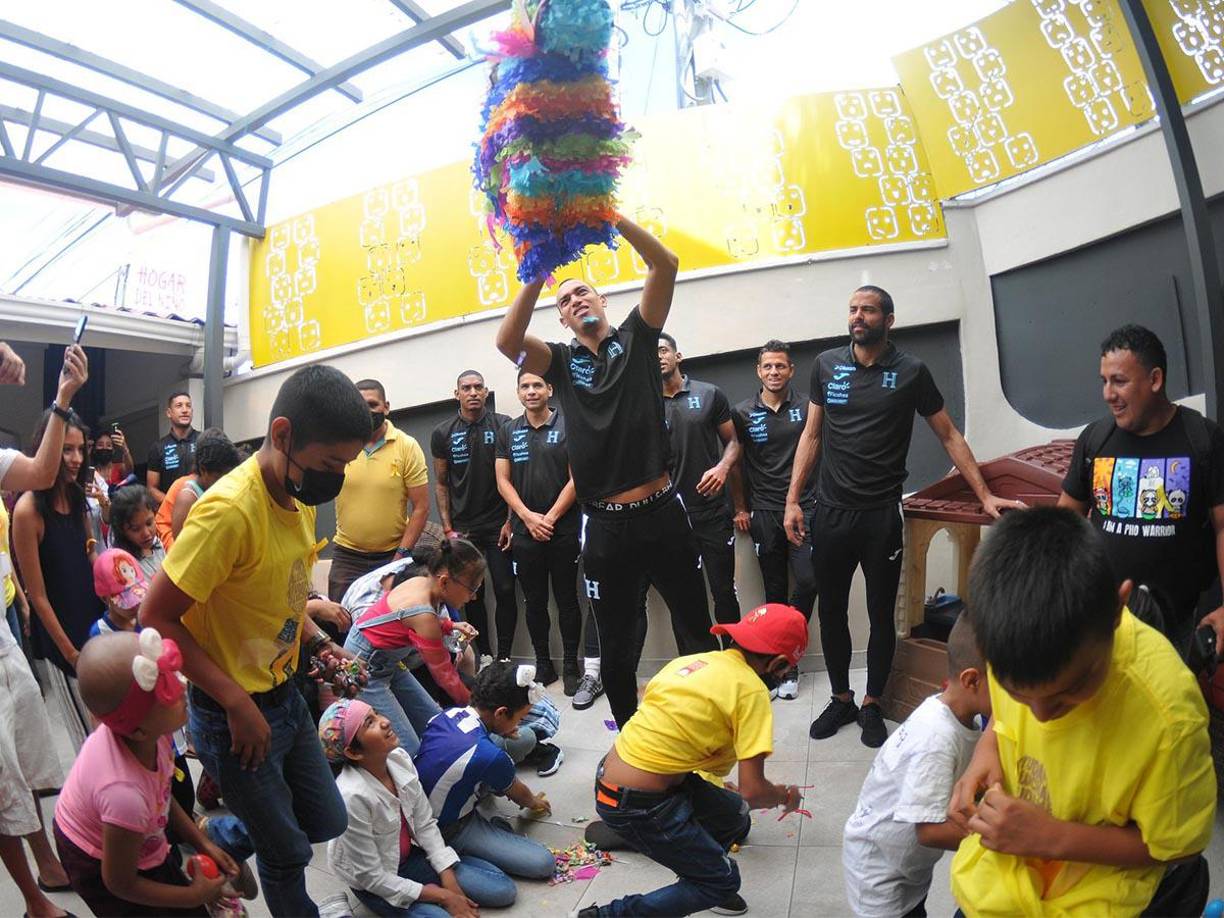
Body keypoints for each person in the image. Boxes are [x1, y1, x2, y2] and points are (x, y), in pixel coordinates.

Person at [141, 364, 372, 917]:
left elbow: (283, 596)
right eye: (330, 463)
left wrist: (317, 643)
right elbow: (156, 616)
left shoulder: (294, 494)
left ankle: (230, 832)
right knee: (289, 853)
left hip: (284, 696)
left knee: (327, 820)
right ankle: (257, 837)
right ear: (284, 435)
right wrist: (236, 701)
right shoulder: (226, 512)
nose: (335, 477)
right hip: (234, 716)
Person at [495, 216, 717, 728]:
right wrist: (538, 268)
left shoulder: (640, 338)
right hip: (605, 528)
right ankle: (633, 739)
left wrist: (611, 217)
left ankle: (707, 727)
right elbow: (508, 343)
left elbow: (665, 263)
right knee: (617, 647)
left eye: (584, 293)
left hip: (662, 514)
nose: (576, 301)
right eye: (566, 301)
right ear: (564, 321)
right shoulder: (561, 364)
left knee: (695, 630)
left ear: (603, 303)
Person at [948, 507, 1217, 915]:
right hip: (1016, 872)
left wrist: (1051, 837)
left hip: (1102, 891)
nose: (1041, 716)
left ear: (1116, 609)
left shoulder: (1168, 719)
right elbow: (1002, 722)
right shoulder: (1017, 653)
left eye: (1069, 692)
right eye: (1018, 695)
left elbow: (1171, 848)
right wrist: (984, 759)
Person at [787, 285, 1023, 747]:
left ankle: (872, 702)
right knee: (831, 611)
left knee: (880, 613)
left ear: (888, 319)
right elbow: (811, 437)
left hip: (880, 517)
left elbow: (949, 434)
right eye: (853, 309)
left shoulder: (912, 371)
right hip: (831, 513)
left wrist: (985, 494)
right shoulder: (826, 365)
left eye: (868, 310)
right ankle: (841, 698)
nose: (857, 316)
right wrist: (793, 499)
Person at [576, 603, 808, 917]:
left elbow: (662, 712)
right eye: (785, 670)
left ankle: (699, 869)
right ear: (780, 663)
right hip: (639, 803)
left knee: (733, 816)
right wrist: (783, 795)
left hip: (616, 775)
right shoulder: (752, 692)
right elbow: (753, 792)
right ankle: (608, 915)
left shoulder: (697, 661)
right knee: (723, 883)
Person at [52, 630, 246, 916]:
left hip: (130, 836)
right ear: (139, 728)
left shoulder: (152, 735)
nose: (181, 688)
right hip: (97, 861)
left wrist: (202, 842)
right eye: (168, 694)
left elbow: (161, 796)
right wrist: (192, 896)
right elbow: (121, 883)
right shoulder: (123, 793)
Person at [1059, 324, 1224, 659]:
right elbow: (1063, 521)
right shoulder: (1095, 439)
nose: (1108, 393)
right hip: (1103, 621)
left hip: (1177, 627)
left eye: (1119, 381)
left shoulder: (1202, 439)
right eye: (1104, 381)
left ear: (1155, 380)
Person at [842, 614, 992, 918]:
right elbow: (929, 832)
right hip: (881, 879)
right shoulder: (935, 740)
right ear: (972, 680)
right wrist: (1000, 840)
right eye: (1011, 686)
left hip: (908, 869)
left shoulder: (965, 716)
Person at [322, 698, 515, 918]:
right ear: (354, 753)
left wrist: (446, 873)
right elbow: (372, 877)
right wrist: (441, 896)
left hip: (408, 858)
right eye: (369, 723)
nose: (384, 721)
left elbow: (424, 822)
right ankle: (334, 912)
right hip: (377, 881)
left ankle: (455, 865)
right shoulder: (351, 797)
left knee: (503, 890)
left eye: (376, 714)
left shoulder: (399, 759)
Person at [12, 408, 105, 752]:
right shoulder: (27, 511)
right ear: (46, 446)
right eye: (67, 449)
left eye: (81, 449)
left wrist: (117, 587)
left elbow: (89, 552)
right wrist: (72, 654)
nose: (76, 458)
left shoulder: (78, 497)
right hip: (63, 642)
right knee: (91, 745)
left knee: (112, 734)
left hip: (95, 628)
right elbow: (36, 596)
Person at [412, 662, 556, 882]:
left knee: (523, 738)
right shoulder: (488, 755)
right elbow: (520, 794)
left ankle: (486, 822)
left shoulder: (450, 714)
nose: (519, 723)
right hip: (447, 828)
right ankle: (454, 856)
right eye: (519, 718)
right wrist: (534, 802)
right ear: (501, 713)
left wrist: (505, 730)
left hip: (424, 805)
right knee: (542, 863)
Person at [731, 339, 819, 699]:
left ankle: (790, 651)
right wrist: (740, 507)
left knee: (809, 580)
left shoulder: (808, 407)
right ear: (758, 371)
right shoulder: (742, 412)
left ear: (791, 370)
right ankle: (778, 665)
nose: (774, 372)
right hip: (764, 511)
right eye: (767, 367)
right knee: (773, 591)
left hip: (806, 507)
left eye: (780, 366)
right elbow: (734, 464)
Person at [0, 491, 72, 918]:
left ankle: (47, 864)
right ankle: (34, 901)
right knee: (2, 777)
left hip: (5, 636)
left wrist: (21, 600)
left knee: (26, 759)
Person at [344, 540, 484, 754]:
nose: (473, 597)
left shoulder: (424, 581)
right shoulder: (422, 613)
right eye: (472, 589)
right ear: (445, 581)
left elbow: (405, 621)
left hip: (388, 663)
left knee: (435, 724)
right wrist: (479, 711)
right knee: (409, 749)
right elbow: (446, 678)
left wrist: (450, 625)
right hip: (364, 671)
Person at [495, 369, 583, 689]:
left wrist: (550, 518)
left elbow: (578, 478)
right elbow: (503, 480)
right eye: (524, 386)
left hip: (563, 529)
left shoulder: (568, 424)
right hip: (524, 532)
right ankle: (544, 664)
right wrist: (527, 518)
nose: (530, 391)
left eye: (536, 385)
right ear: (518, 392)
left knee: (567, 599)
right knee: (534, 602)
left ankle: (572, 666)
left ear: (549, 389)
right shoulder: (508, 430)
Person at [430, 371, 513, 659]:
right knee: (471, 594)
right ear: (457, 394)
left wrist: (510, 520)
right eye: (467, 388)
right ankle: (485, 655)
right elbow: (441, 483)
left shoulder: (504, 425)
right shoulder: (443, 433)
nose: (473, 392)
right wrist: (448, 529)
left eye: (478, 387)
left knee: (504, 589)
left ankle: (504, 656)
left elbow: (512, 479)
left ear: (486, 391)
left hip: (499, 526)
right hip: (464, 530)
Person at [329, 379, 431, 605]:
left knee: (390, 627)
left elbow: (421, 507)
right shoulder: (340, 444)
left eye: (372, 404)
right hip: (347, 557)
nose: (366, 411)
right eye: (359, 405)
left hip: (391, 554)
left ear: (386, 406)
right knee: (337, 624)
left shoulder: (407, 446)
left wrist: (400, 556)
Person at [155, 427, 241, 553]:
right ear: (203, 470)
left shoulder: (219, 488)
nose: (223, 483)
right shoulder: (187, 496)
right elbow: (182, 552)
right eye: (218, 478)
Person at [146, 391, 199, 505]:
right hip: (171, 513)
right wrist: (174, 504)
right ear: (169, 413)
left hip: (201, 509)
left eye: (188, 406)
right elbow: (151, 488)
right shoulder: (158, 447)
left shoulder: (203, 440)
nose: (185, 410)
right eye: (179, 406)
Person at [108, 486, 166, 581]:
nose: (146, 533)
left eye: (149, 523)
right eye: (135, 529)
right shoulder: (123, 565)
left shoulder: (157, 543)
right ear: (121, 530)